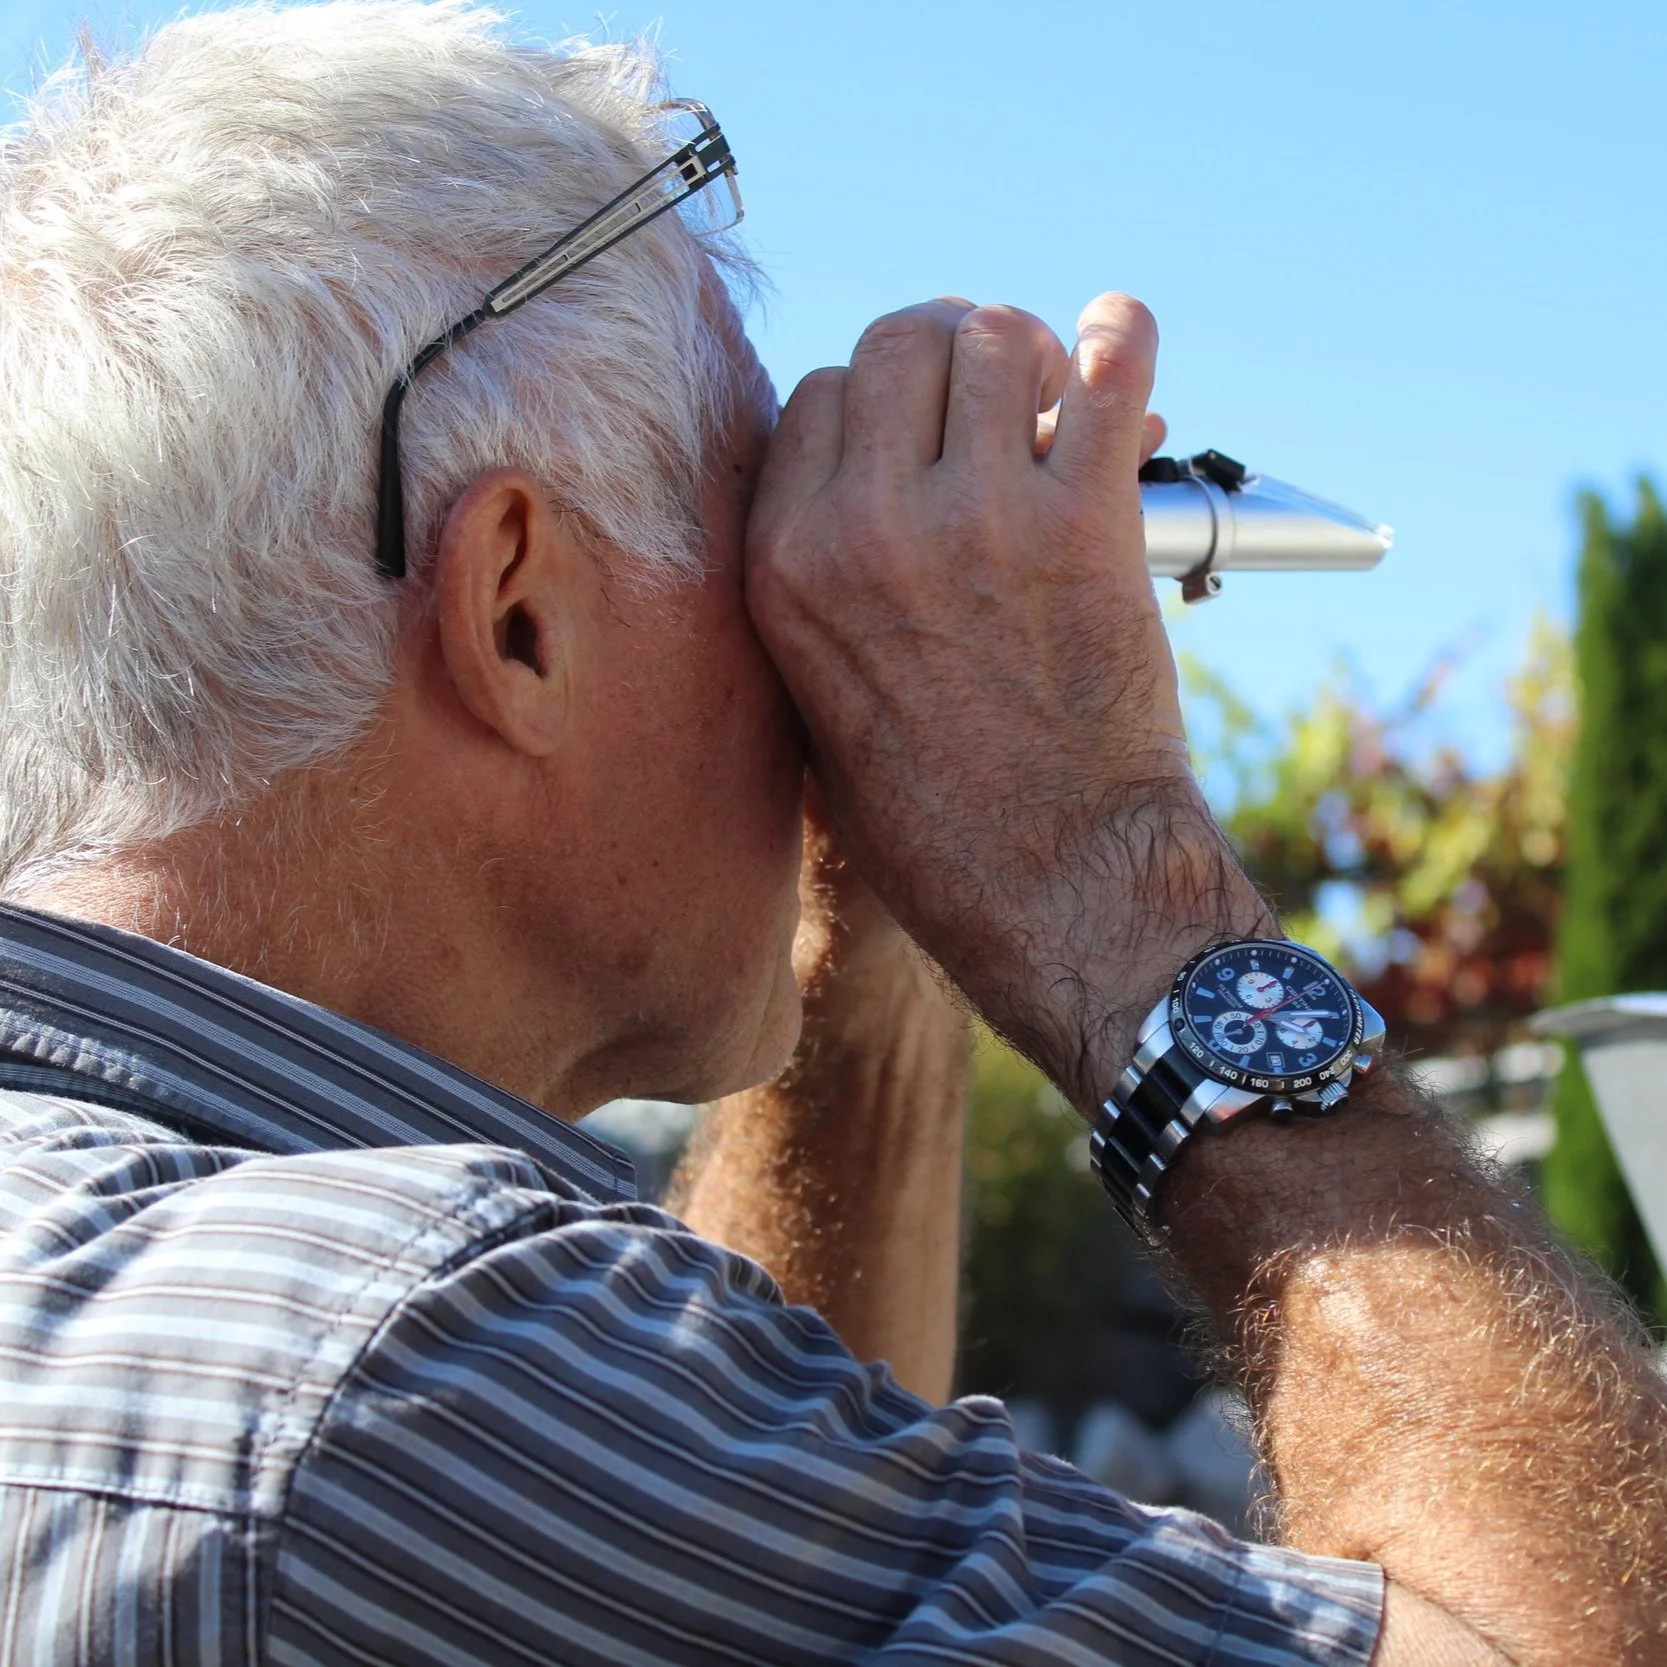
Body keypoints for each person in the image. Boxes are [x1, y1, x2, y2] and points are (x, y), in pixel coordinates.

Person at [0, 3, 1661, 1662]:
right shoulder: (388, 1366)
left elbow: (796, 1519)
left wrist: (874, 897)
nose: (805, 611)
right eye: (754, 524)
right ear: (517, 616)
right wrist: (1114, 880)